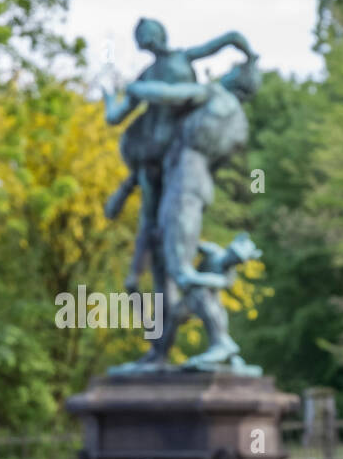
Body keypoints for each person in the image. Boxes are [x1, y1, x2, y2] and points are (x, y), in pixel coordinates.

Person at [103, 19, 255, 295]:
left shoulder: (169, 68)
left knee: (160, 219)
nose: (146, 39)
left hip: (170, 153)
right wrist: (249, 55)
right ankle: (138, 277)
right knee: (152, 220)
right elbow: (114, 117)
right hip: (159, 155)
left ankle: (153, 276)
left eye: (146, 34)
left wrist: (250, 56)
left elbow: (229, 37)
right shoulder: (159, 70)